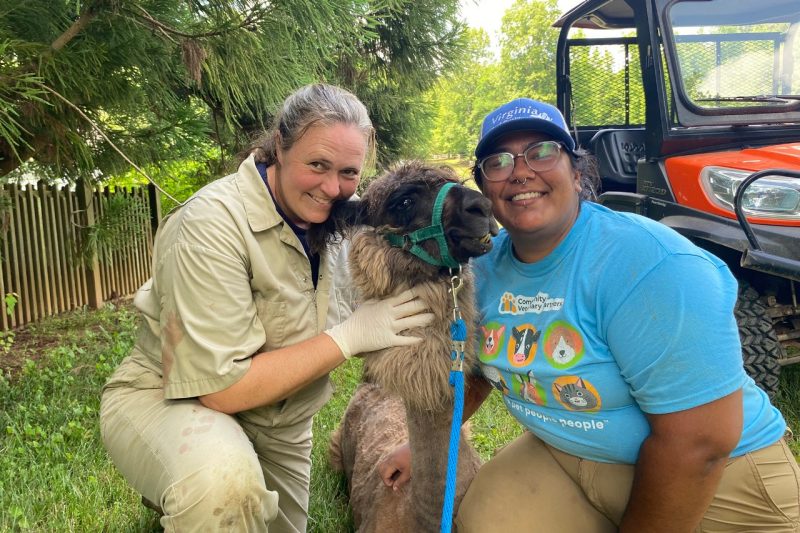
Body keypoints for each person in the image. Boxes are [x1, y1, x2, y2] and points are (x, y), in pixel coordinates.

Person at [379, 98, 800, 532]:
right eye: (498, 161)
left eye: (542, 152)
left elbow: (700, 444)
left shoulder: (649, 264)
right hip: (567, 456)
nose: (520, 171)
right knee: (483, 522)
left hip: (720, 480)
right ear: (485, 190)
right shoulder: (483, 271)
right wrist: (426, 446)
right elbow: (482, 371)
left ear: (577, 173)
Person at [100, 83, 434, 532]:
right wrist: (349, 336)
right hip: (175, 397)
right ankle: (189, 472)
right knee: (223, 489)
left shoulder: (347, 219)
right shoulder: (210, 225)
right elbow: (219, 389)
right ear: (280, 144)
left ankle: (201, 478)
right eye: (317, 164)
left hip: (281, 420)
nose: (333, 188)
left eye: (349, 173)